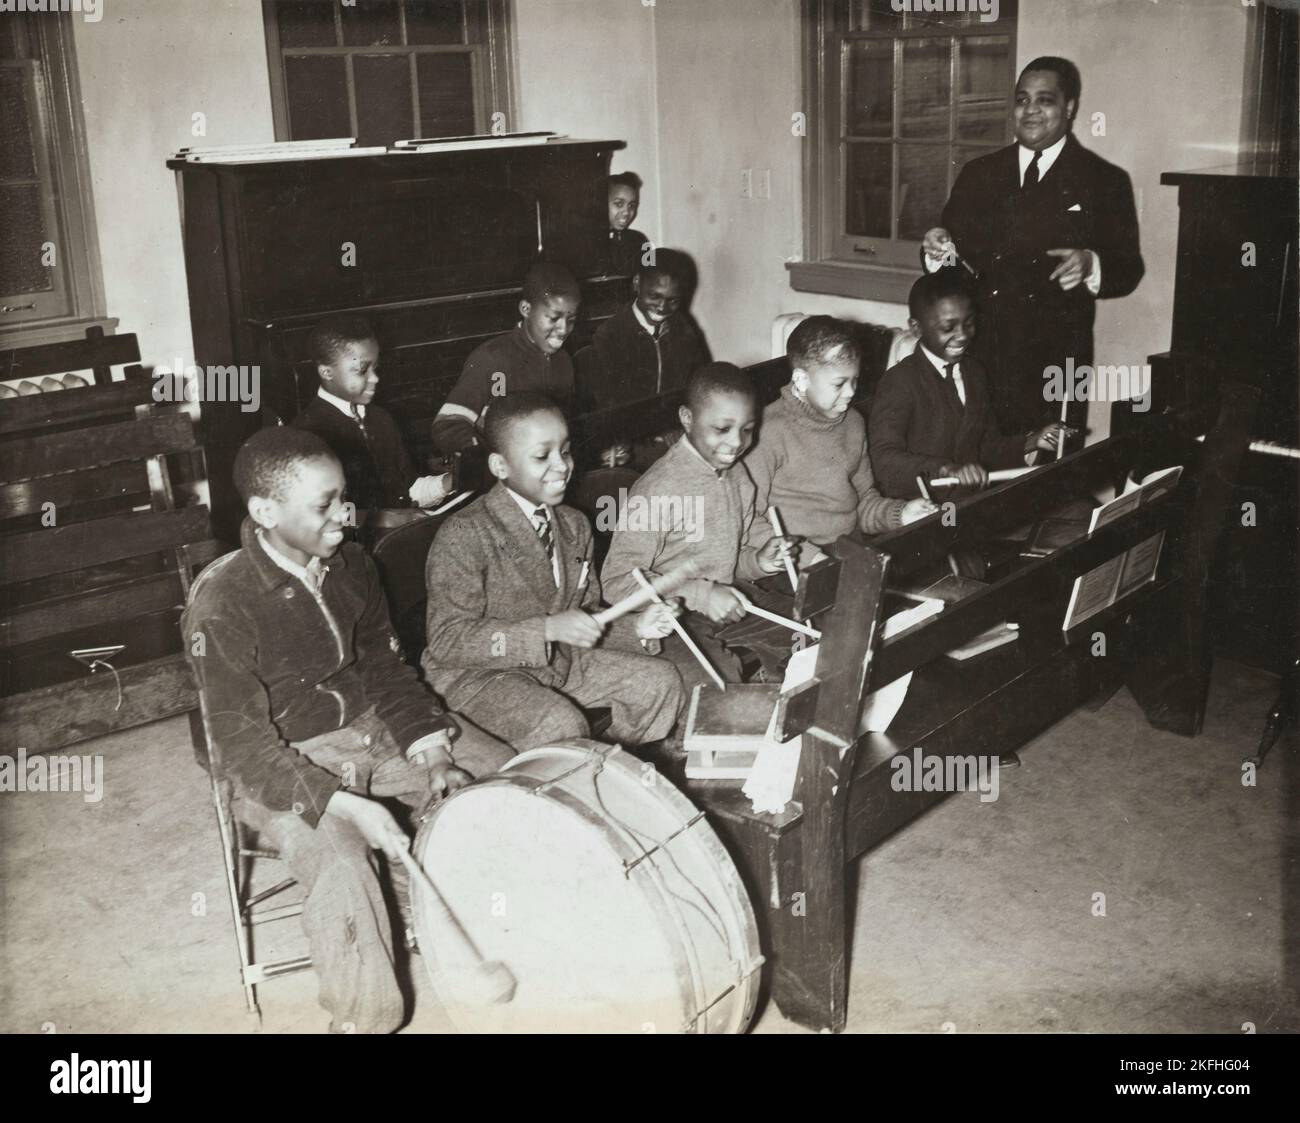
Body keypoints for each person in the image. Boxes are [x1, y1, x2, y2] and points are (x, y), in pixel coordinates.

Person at [182, 427, 514, 1034]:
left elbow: (386, 668)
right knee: (341, 865)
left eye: (344, 497)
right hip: (278, 764)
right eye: (324, 505)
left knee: (504, 782)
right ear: (265, 511)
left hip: (367, 728)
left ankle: (486, 924)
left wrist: (432, 748)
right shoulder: (222, 606)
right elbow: (241, 744)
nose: (345, 514)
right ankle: (364, 1021)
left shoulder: (352, 564)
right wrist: (344, 805)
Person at [421, 393, 685, 751]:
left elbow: (586, 616)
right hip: (480, 677)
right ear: (500, 466)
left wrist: (636, 626)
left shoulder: (574, 525)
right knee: (560, 723)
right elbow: (448, 640)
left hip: (555, 664)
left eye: (565, 450)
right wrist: (545, 629)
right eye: (542, 456)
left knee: (660, 683)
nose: (562, 466)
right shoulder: (466, 533)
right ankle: (572, 776)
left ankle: (609, 767)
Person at [921, 56, 1144, 438]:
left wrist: (1091, 264)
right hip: (978, 354)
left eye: (1045, 100)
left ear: (1069, 107)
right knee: (973, 469)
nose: (1031, 111)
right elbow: (949, 258)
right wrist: (936, 249)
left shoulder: (1104, 180)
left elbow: (1128, 268)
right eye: (1022, 100)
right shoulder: (980, 174)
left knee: (1047, 478)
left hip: (1054, 363)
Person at [601, 362, 797, 687]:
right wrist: (702, 595)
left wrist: (759, 561)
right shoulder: (658, 488)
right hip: (675, 613)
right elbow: (617, 581)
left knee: (810, 635)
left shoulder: (737, 475)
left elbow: (733, 559)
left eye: (747, 429)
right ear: (687, 419)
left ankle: (775, 708)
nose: (736, 443)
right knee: (719, 684)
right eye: (722, 429)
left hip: (726, 597)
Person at [744, 315, 934, 560]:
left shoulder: (853, 422)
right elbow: (748, 521)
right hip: (789, 563)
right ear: (801, 380)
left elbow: (863, 502)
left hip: (846, 549)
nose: (851, 392)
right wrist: (806, 557)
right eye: (839, 384)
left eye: (854, 381)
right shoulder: (766, 432)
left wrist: (901, 513)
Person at [869, 272, 1068, 498]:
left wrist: (1033, 441)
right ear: (916, 328)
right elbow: (883, 460)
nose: (962, 335)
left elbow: (986, 446)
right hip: (921, 511)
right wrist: (946, 469)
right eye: (948, 327)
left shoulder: (975, 373)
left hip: (969, 505)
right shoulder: (900, 381)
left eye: (969, 323)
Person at [291, 315, 450, 513]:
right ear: (326, 372)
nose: (375, 378)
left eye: (375, 368)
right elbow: (320, 517)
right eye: (362, 370)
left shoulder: (381, 419)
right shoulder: (307, 433)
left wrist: (449, 482)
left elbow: (409, 492)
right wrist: (387, 519)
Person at [430, 262, 581, 470]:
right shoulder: (492, 359)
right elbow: (446, 425)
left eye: (571, 320)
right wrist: (482, 453)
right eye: (553, 318)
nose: (563, 329)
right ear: (525, 309)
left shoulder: (564, 362)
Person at [606, 171, 650, 276]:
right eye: (619, 204)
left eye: (631, 206)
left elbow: (651, 275)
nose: (626, 212)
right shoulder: (588, 241)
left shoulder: (642, 240)